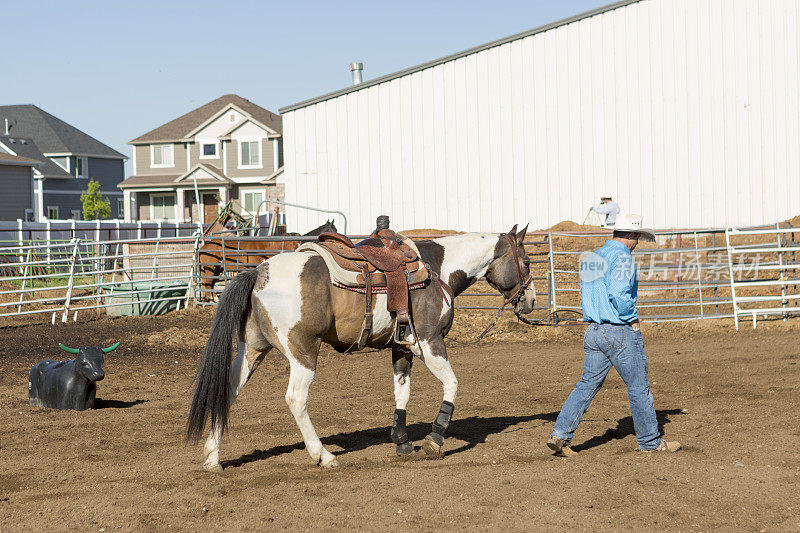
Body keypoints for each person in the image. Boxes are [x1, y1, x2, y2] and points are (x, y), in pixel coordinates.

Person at [547, 213, 680, 456]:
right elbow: (619, 294)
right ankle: (650, 441)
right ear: (630, 235)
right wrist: (632, 318)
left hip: (594, 330)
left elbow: (588, 293)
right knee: (638, 386)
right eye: (637, 237)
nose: (638, 242)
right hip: (618, 331)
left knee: (587, 384)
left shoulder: (593, 257)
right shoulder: (623, 259)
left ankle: (560, 434)